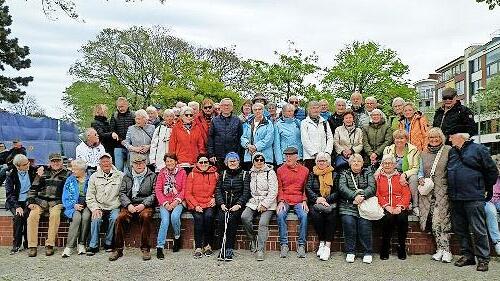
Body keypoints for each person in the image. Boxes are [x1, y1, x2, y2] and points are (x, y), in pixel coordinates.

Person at [447, 128, 498, 272]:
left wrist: (484, 188)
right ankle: (467, 255)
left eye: (451, 136)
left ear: (460, 137)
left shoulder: (479, 149)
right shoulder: (452, 152)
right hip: (456, 197)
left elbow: (492, 171)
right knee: (460, 229)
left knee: (478, 228)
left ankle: (483, 259)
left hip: (473, 196)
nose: (449, 139)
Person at [110, 154, 156, 261]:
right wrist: (128, 205)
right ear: (132, 164)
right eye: (136, 163)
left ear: (145, 164)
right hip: (130, 204)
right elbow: (122, 193)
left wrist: (143, 204)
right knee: (120, 217)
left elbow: (154, 194)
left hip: (145, 204)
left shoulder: (152, 176)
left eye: (141, 163)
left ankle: (145, 249)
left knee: (145, 216)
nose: (139, 165)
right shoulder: (127, 176)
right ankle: (118, 249)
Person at [417, 127, 453, 263]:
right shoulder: (424, 153)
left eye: (436, 137)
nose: (433, 140)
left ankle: (447, 250)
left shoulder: (448, 151)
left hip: (443, 191)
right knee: (433, 223)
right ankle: (440, 249)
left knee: (442, 221)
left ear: (441, 138)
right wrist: (420, 177)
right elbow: (421, 171)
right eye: (431, 137)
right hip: (428, 192)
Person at [26, 153, 70, 257]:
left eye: (58, 161)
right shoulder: (42, 172)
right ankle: (32, 246)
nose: (56, 163)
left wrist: (65, 203)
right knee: (32, 216)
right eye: (53, 161)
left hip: (57, 202)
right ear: (49, 162)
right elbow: (33, 188)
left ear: (61, 162)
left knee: (55, 215)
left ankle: (50, 245)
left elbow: (69, 191)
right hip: (40, 201)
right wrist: (31, 201)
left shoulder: (68, 174)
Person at [338, 153, 376, 264]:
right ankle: (350, 251)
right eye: (353, 161)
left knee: (365, 225)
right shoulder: (344, 173)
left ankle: (367, 251)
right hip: (348, 205)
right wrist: (353, 196)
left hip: (364, 204)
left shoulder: (368, 173)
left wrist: (362, 196)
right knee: (348, 223)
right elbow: (342, 187)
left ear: (362, 163)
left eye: (358, 161)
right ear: (349, 163)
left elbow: (372, 187)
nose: (356, 163)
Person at [241, 152, 278, 261]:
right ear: (253, 161)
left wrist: (264, 204)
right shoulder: (250, 173)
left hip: (268, 203)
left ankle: (260, 249)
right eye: (256, 160)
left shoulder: (270, 172)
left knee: (262, 223)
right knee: (245, 217)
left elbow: (273, 191)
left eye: (262, 160)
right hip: (253, 201)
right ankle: (252, 239)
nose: (259, 162)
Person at [85, 153, 123, 256]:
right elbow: (90, 195)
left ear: (111, 162)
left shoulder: (120, 175)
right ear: (100, 164)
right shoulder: (94, 177)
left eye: (107, 161)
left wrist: (120, 205)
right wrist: (95, 208)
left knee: (115, 218)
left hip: (114, 205)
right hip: (99, 206)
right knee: (96, 218)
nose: (105, 163)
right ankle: (93, 245)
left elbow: (123, 193)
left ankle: (109, 243)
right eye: (103, 161)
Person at [215, 152, 250, 261]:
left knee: (231, 220)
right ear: (226, 162)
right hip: (224, 205)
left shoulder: (244, 174)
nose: (233, 162)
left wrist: (239, 205)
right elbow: (218, 190)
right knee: (221, 220)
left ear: (238, 162)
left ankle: (229, 248)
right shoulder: (223, 174)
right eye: (230, 161)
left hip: (237, 205)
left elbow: (246, 192)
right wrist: (221, 204)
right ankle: (222, 248)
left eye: (235, 160)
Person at [276, 147, 309, 258]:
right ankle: (284, 244)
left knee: (304, 215)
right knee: (280, 214)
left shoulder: (305, 170)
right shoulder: (280, 170)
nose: (288, 158)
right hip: (285, 199)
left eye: (290, 155)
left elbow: (306, 188)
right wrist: (280, 201)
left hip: (299, 199)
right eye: (286, 155)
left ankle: (301, 245)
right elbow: (280, 188)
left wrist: (304, 200)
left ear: (296, 156)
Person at [376, 155, 411, 260]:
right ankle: (385, 246)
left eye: (390, 163)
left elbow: (406, 194)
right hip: (385, 206)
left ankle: (401, 246)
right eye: (385, 163)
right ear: (381, 165)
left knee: (402, 218)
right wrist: (387, 206)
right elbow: (377, 193)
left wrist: (400, 206)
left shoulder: (400, 176)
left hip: (399, 206)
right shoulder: (378, 177)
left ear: (394, 165)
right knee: (388, 218)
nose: (387, 165)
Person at [185, 154, 219, 258]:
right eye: (201, 162)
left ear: (209, 163)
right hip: (196, 203)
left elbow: (219, 190)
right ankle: (198, 247)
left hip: (209, 202)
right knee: (199, 218)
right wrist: (195, 206)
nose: (203, 164)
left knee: (209, 217)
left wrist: (214, 198)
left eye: (206, 162)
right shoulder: (192, 175)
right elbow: (188, 193)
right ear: (197, 164)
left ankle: (208, 245)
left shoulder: (215, 174)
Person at [306, 152, 337, 261]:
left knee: (331, 217)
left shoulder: (334, 174)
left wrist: (326, 200)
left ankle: (327, 247)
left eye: (323, 160)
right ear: (316, 162)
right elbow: (308, 188)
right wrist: (317, 199)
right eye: (319, 161)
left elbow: (337, 191)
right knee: (316, 216)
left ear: (328, 162)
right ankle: (322, 243)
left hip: (330, 202)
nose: (321, 163)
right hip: (315, 202)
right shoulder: (312, 174)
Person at [155, 153, 187, 259]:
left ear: (176, 162)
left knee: (174, 217)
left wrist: (176, 202)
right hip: (165, 202)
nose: (169, 163)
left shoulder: (182, 172)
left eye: (171, 161)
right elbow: (158, 190)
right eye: (167, 161)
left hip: (178, 201)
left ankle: (177, 237)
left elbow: (184, 189)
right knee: (164, 220)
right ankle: (160, 247)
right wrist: (165, 203)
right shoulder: (162, 173)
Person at [381, 130, 420, 216]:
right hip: (391, 173)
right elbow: (383, 164)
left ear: (406, 139)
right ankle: (388, 204)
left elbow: (416, 168)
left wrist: (404, 174)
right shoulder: (388, 149)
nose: (399, 140)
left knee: (413, 178)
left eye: (402, 138)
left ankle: (415, 206)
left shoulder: (413, 149)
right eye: (397, 138)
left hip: (407, 173)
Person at [4, 154, 36, 254]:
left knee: (27, 215)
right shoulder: (11, 174)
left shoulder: (32, 170)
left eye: (28, 162)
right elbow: (9, 194)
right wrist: (17, 206)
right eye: (25, 164)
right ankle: (16, 244)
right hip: (15, 201)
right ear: (18, 166)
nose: (28, 165)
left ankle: (27, 242)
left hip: (28, 200)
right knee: (18, 217)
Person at [61, 159, 91, 257]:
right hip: (73, 205)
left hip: (88, 204)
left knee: (86, 217)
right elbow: (65, 196)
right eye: (72, 169)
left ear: (82, 170)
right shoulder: (70, 179)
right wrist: (74, 204)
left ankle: (82, 244)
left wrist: (88, 203)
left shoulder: (90, 179)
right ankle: (69, 247)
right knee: (77, 218)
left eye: (75, 169)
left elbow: (94, 194)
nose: (73, 171)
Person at [207, 98, 243, 170]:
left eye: (229, 105)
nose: (226, 107)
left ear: (232, 107)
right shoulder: (214, 120)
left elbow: (240, 137)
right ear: (220, 107)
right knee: (220, 176)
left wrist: (239, 154)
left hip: (233, 155)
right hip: (218, 155)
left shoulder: (237, 120)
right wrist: (211, 154)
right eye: (224, 105)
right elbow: (211, 138)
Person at [169, 106, 205, 172]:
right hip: (181, 162)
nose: (189, 117)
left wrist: (201, 158)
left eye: (191, 115)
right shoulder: (176, 128)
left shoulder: (197, 128)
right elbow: (172, 145)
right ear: (182, 116)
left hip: (194, 162)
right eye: (186, 115)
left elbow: (201, 145)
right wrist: (173, 160)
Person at [301, 101, 334, 171]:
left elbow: (330, 138)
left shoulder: (325, 122)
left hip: (324, 157)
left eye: (317, 108)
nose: (316, 110)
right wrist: (315, 154)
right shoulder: (304, 123)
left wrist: (327, 152)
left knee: (325, 180)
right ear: (309, 110)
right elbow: (305, 140)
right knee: (312, 179)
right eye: (313, 108)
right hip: (310, 157)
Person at [241, 102, 274, 170]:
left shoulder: (268, 123)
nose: (257, 111)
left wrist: (256, 147)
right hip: (249, 156)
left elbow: (269, 139)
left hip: (264, 157)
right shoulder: (247, 123)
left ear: (263, 110)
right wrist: (248, 146)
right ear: (252, 111)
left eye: (259, 109)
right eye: (255, 109)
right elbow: (242, 137)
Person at [110, 97, 135, 172]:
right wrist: (114, 134)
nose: (120, 108)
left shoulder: (133, 115)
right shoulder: (114, 116)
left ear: (127, 105)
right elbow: (111, 129)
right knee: (118, 168)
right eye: (119, 107)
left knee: (130, 167)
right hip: (118, 145)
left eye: (122, 106)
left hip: (131, 146)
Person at [484, 155, 500, 255]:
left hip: (498, 201)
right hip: (487, 201)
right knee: (491, 211)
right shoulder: (486, 175)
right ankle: (497, 242)